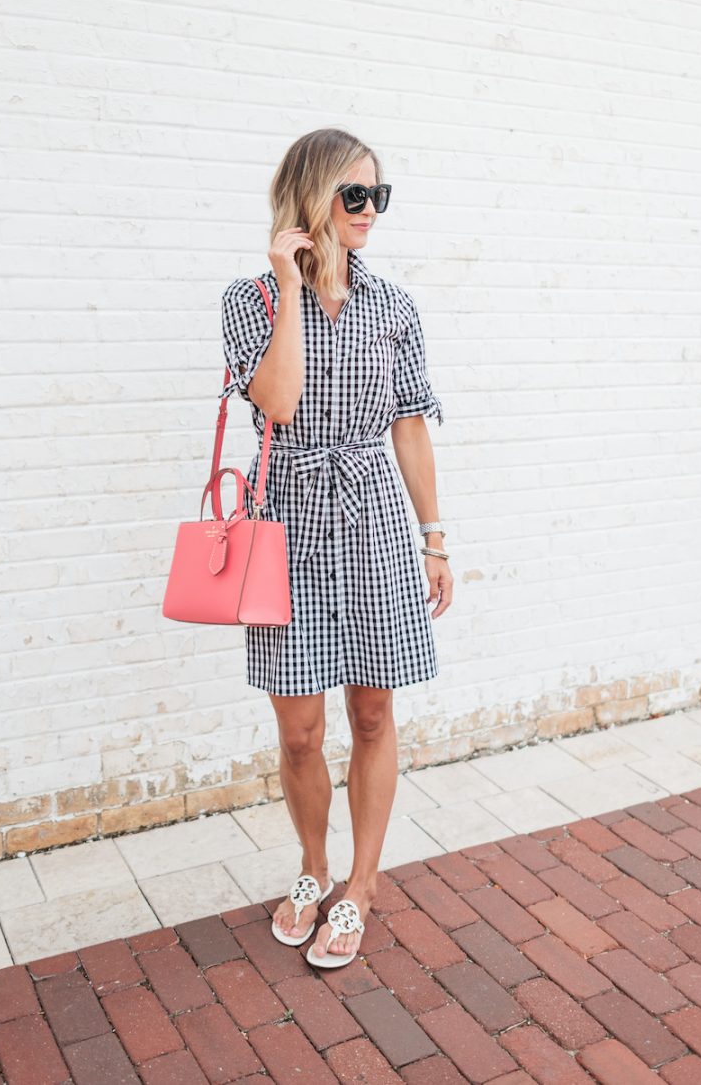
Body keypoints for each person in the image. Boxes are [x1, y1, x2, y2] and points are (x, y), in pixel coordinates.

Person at [220, 127, 452, 968]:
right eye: (354, 196)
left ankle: (361, 886)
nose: (369, 213)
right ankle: (313, 870)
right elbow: (276, 405)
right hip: (285, 525)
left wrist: (434, 539)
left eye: (377, 197)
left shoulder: (394, 306)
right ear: (311, 197)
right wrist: (289, 281)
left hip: (376, 524)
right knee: (301, 733)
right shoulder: (249, 299)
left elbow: (410, 427)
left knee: (374, 711)